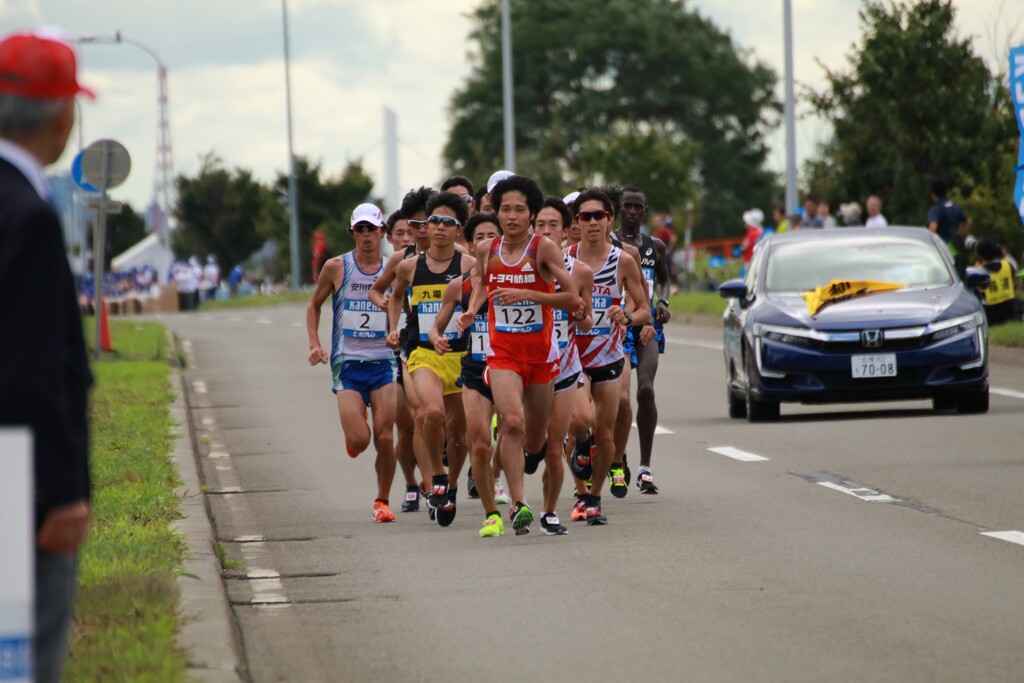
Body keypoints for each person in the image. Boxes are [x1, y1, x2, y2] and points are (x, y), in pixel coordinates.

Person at [0, 31, 94, 683]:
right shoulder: (28, 215)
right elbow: (31, 368)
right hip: (18, 483)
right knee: (23, 655)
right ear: (64, 116)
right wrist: (62, 490)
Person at [458, 174, 582, 535]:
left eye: (519, 210)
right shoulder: (486, 250)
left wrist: (531, 296)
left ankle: (513, 471)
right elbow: (483, 283)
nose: (511, 216)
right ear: (496, 212)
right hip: (503, 355)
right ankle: (517, 503)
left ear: (530, 215)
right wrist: (472, 309)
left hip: (542, 358)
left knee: (536, 441)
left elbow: (573, 300)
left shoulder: (543, 249)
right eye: (505, 209)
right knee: (511, 421)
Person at [306, 203, 398, 523]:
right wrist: (315, 344)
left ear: (382, 231)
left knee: (386, 436)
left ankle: (382, 501)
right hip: (347, 363)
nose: (366, 235)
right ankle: (357, 421)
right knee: (360, 440)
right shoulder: (337, 267)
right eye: (360, 229)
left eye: (372, 228)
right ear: (352, 233)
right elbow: (313, 307)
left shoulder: (394, 268)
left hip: (384, 363)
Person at [387, 191, 473, 527]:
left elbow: (482, 297)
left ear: (458, 229)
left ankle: (450, 488)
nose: (437, 227)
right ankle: (436, 476)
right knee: (431, 412)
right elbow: (394, 297)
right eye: (433, 220)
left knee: (460, 436)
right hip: (424, 353)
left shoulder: (468, 264)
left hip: (461, 356)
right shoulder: (410, 266)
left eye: (446, 222)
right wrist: (393, 328)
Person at [567, 188, 650, 525]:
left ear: (609, 220)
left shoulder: (623, 261)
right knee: (581, 421)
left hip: (611, 356)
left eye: (598, 216)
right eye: (584, 217)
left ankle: (594, 498)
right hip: (573, 356)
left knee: (606, 434)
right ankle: (580, 444)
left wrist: (627, 317)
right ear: (576, 222)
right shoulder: (563, 257)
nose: (591, 223)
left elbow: (644, 308)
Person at [429, 213, 506, 536]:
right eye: (481, 238)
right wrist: (438, 338)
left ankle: (501, 477)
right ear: (471, 245)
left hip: (513, 367)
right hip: (474, 370)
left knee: (520, 433)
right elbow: (436, 327)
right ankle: (492, 512)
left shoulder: (519, 279)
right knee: (479, 443)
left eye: (494, 236)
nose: (487, 243)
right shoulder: (458, 286)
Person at [533, 197, 594, 534]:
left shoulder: (579, 271)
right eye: (539, 225)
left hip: (566, 365)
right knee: (528, 440)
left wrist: (581, 312)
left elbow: (584, 326)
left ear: (566, 230)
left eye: (552, 225)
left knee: (564, 437)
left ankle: (549, 511)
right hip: (527, 367)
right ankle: (512, 495)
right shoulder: (518, 267)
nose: (545, 231)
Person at [614, 186, 670, 495]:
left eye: (638, 207)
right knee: (617, 399)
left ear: (644, 211)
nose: (632, 212)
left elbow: (662, 279)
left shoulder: (655, 246)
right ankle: (617, 457)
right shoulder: (609, 244)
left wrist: (663, 303)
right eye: (627, 207)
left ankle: (645, 467)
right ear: (619, 210)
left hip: (647, 326)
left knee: (646, 390)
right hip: (617, 326)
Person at [927, 180, 970, 276]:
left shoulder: (936, 209)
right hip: (955, 249)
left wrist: (929, 244)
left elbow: (933, 226)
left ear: (933, 193)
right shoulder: (953, 206)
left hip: (942, 251)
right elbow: (967, 222)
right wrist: (960, 235)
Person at [976, 239, 1017, 325]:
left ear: (981, 255)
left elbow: (980, 294)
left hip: (992, 313)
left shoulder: (979, 272)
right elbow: (1014, 281)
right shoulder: (1008, 264)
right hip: (1010, 309)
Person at [739, 208, 764, 273]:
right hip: (756, 259)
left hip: (750, 260)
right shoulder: (759, 230)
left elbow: (744, 245)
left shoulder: (752, 232)